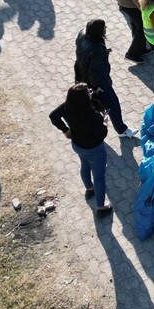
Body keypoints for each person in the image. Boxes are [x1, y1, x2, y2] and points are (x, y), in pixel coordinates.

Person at [50, 84, 112, 215]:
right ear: (84, 98)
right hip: (95, 150)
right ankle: (101, 207)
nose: (91, 91)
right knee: (99, 177)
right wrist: (105, 123)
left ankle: (89, 188)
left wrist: (65, 130)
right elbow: (101, 134)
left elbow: (53, 116)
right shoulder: (94, 116)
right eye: (88, 91)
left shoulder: (67, 106)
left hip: (78, 146)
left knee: (84, 166)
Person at [74, 19, 136, 138]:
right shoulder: (97, 50)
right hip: (99, 83)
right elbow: (93, 72)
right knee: (113, 104)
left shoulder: (82, 33)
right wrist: (96, 87)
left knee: (89, 104)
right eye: (104, 28)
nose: (106, 29)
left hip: (80, 74)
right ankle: (121, 130)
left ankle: (88, 127)